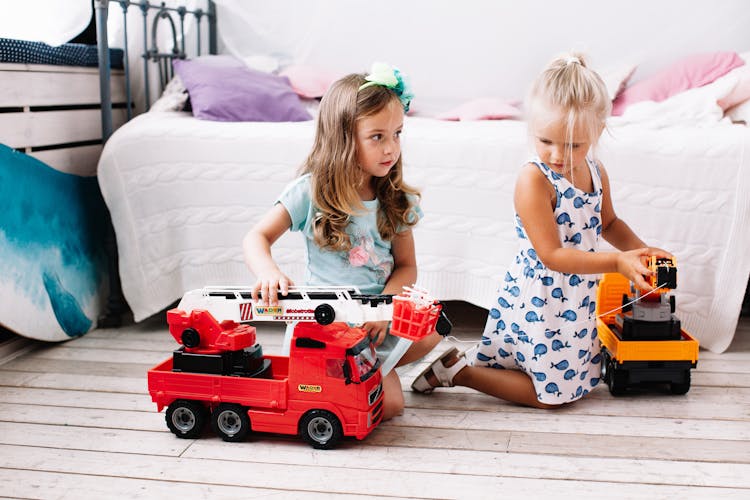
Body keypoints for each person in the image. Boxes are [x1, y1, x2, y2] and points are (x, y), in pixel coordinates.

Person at [411, 53, 672, 408]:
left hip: (576, 291)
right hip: (542, 293)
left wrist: (641, 252)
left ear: (596, 132)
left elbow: (608, 223)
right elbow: (551, 255)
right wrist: (617, 264)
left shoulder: (595, 171)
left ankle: (469, 370)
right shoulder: (534, 180)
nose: (557, 155)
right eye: (545, 140)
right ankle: (459, 373)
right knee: (549, 396)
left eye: (573, 145)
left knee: (574, 376)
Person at [243, 63, 441, 420]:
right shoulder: (310, 191)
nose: (391, 148)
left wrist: (382, 307)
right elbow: (256, 237)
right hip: (327, 326)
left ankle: (366, 372)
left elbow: (407, 266)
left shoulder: (394, 198)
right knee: (392, 406)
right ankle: (351, 378)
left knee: (434, 331)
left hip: (373, 322)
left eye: (397, 134)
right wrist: (267, 272)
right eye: (377, 136)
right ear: (343, 138)